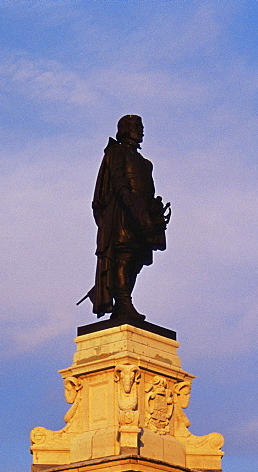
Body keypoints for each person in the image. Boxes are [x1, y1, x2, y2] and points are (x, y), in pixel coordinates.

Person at [86, 114, 170, 323]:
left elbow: (148, 190)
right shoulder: (116, 151)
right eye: (136, 126)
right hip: (124, 212)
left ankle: (123, 300)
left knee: (137, 258)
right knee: (124, 255)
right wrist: (131, 205)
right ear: (125, 129)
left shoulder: (145, 162)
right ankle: (123, 302)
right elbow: (118, 180)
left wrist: (151, 212)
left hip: (142, 213)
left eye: (141, 126)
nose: (140, 130)